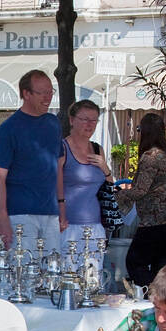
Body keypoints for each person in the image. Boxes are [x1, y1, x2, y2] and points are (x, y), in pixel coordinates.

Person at [0, 69, 61, 251]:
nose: (48, 97)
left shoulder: (53, 123)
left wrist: (62, 208)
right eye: (42, 92)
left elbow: (58, 167)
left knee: (52, 272)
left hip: (50, 212)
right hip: (20, 213)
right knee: (23, 272)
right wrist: (2, 217)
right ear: (26, 94)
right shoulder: (9, 128)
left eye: (50, 92)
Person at [120, 113, 166, 287]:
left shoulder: (151, 156)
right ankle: (163, 298)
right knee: (162, 265)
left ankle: (151, 296)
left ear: (144, 131)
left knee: (135, 262)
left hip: (158, 219)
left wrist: (118, 195)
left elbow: (140, 190)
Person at [56, 99, 113, 263]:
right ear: (72, 120)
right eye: (85, 119)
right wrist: (61, 215)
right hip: (68, 225)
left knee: (93, 277)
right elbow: (55, 183)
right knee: (68, 275)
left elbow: (110, 186)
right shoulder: (62, 148)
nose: (90, 124)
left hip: (95, 225)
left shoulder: (97, 149)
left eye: (94, 120)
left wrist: (105, 167)